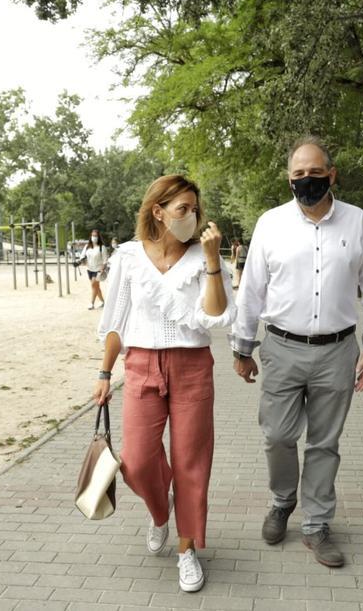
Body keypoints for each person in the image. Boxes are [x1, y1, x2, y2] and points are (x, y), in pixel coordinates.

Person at [230, 136, 363, 568]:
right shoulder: (271, 224)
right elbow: (251, 290)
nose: (307, 180)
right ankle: (283, 500)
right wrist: (242, 346)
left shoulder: (357, 223)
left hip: (338, 351)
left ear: (332, 174)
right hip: (281, 348)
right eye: (298, 174)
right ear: (288, 179)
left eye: (315, 172)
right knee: (278, 436)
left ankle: (317, 524)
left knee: (324, 443)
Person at [92, 174, 235, 593]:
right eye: (182, 209)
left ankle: (186, 550)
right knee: (135, 461)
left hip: (192, 366)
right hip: (140, 365)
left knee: (191, 462)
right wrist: (104, 373)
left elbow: (215, 315)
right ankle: (160, 512)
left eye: (194, 209)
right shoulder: (129, 257)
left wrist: (211, 259)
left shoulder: (205, 257)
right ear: (158, 211)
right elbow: (115, 321)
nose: (191, 216)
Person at [83, 229, 109, 310]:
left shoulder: (102, 247)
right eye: (93, 235)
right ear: (90, 236)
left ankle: (92, 303)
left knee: (93, 285)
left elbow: (105, 260)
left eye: (96, 236)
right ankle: (102, 301)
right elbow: (83, 257)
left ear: (98, 237)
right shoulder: (87, 247)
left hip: (98, 269)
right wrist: (83, 262)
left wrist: (102, 268)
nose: (94, 237)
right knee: (96, 287)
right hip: (89, 269)